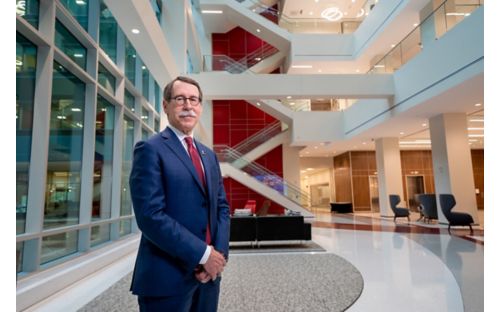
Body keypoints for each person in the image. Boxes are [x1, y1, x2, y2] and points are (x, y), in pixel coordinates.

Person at [129, 76, 230, 311]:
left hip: (209, 277)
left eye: (194, 100)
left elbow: (221, 208)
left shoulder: (208, 154)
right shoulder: (150, 149)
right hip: (166, 277)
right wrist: (204, 255)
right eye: (180, 99)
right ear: (165, 105)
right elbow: (150, 216)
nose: (188, 105)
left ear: (201, 107)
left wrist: (218, 257)